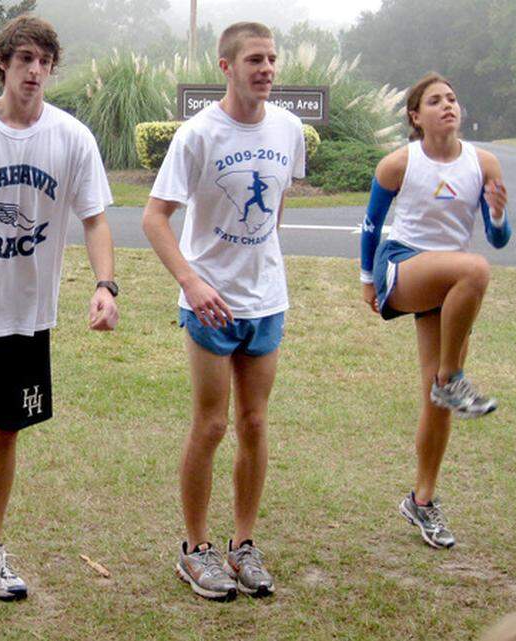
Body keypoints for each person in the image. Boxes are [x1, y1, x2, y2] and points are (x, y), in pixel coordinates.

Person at [0, 14, 119, 614]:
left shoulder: (71, 138)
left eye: (44, 61)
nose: (35, 71)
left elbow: (95, 219)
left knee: (6, 434)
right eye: (25, 59)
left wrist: (105, 284)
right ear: (3, 64)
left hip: (28, 321)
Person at [142, 22, 306, 601]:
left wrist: (262, 268)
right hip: (208, 304)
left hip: (267, 300)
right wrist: (192, 280)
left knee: (255, 424)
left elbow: (277, 206)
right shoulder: (197, 135)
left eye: (272, 59)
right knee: (211, 425)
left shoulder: (289, 129)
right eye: (255, 59)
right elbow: (154, 217)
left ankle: (243, 544)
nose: (266, 69)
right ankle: (195, 549)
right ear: (226, 66)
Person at [359, 72, 510, 549]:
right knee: (476, 271)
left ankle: (422, 501)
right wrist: (367, 281)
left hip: (450, 283)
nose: (448, 105)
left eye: (452, 97)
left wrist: (500, 213)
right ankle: (453, 378)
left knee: (435, 400)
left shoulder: (483, 163)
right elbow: (370, 225)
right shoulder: (399, 163)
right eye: (435, 101)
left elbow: (499, 237)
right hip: (404, 267)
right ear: (415, 116)